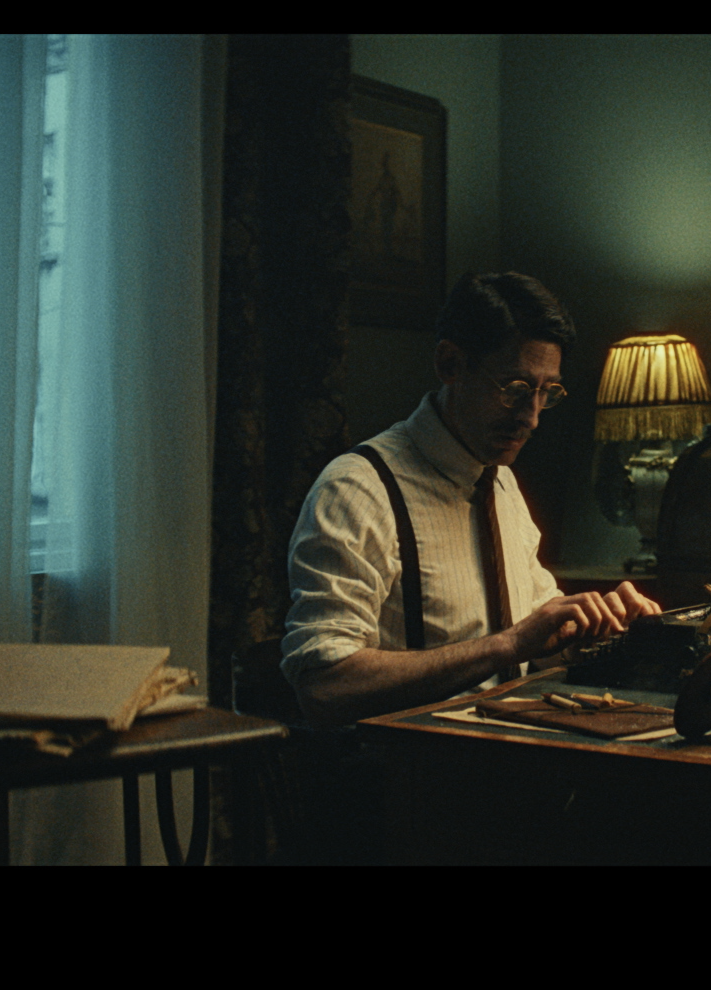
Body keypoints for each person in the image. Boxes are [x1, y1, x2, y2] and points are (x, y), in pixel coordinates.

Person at [281, 271, 662, 726]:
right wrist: (507, 644)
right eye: (515, 389)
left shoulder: (500, 483)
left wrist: (587, 635)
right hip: (407, 764)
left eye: (546, 393)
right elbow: (323, 685)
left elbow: (534, 651)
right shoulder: (358, 491)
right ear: (450, 364)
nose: (532, 418)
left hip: (508, 752)